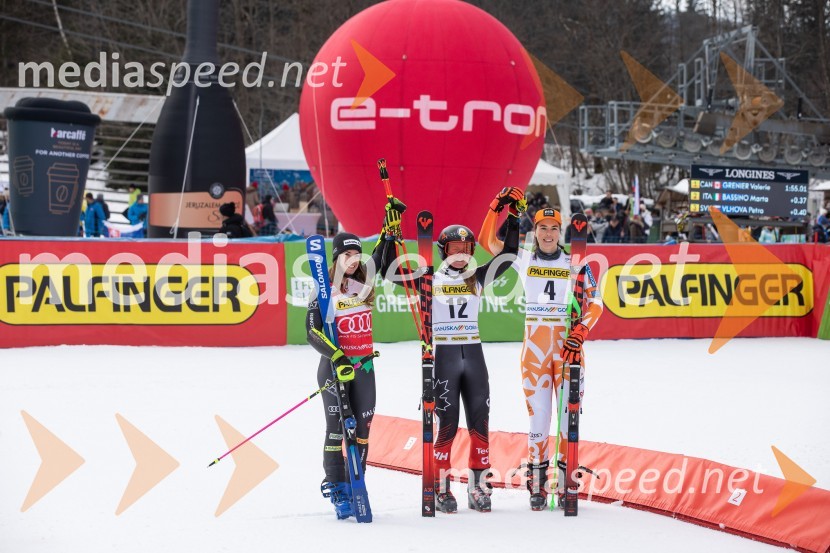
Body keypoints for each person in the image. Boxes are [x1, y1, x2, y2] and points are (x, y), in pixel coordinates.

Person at [382, 187, 523, 514]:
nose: (461, 254)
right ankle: (442, 486)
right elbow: (390, 271)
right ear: (444, 251)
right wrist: (390, 232)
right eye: (454, 248)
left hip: (473, 356)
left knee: (480, 423)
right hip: (444, 357)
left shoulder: (477, 276)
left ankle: (479, 486)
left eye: (466, 248)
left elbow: (510, 254)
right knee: (447, 425)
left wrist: (512, 215)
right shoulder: (428, 278)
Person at [479, 207, 603, 511]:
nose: (548, 234)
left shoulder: (576, 263)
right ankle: (537, 480)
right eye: (542, 228)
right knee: (538, 418)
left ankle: (565, 480)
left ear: (561, 233)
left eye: (553, 228)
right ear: (534, 230)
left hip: (568, 348)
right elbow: (486, 242)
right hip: (534, 351)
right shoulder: (524, 259)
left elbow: (597, 302)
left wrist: (582, 330)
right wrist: (497, 207)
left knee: (567, 418)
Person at [305, 207, 399, 520]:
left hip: (365, 369)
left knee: (362, 431)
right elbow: (311, 332)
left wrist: (387, 231)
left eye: (356, 255)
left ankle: (355, 483)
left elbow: (379, 257)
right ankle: (337, 488)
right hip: (335, 370)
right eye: (348, 255)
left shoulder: (362, 285)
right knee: (336, 431)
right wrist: (337, 356)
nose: (354, 260)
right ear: (336, 259)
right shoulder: (323, 292)